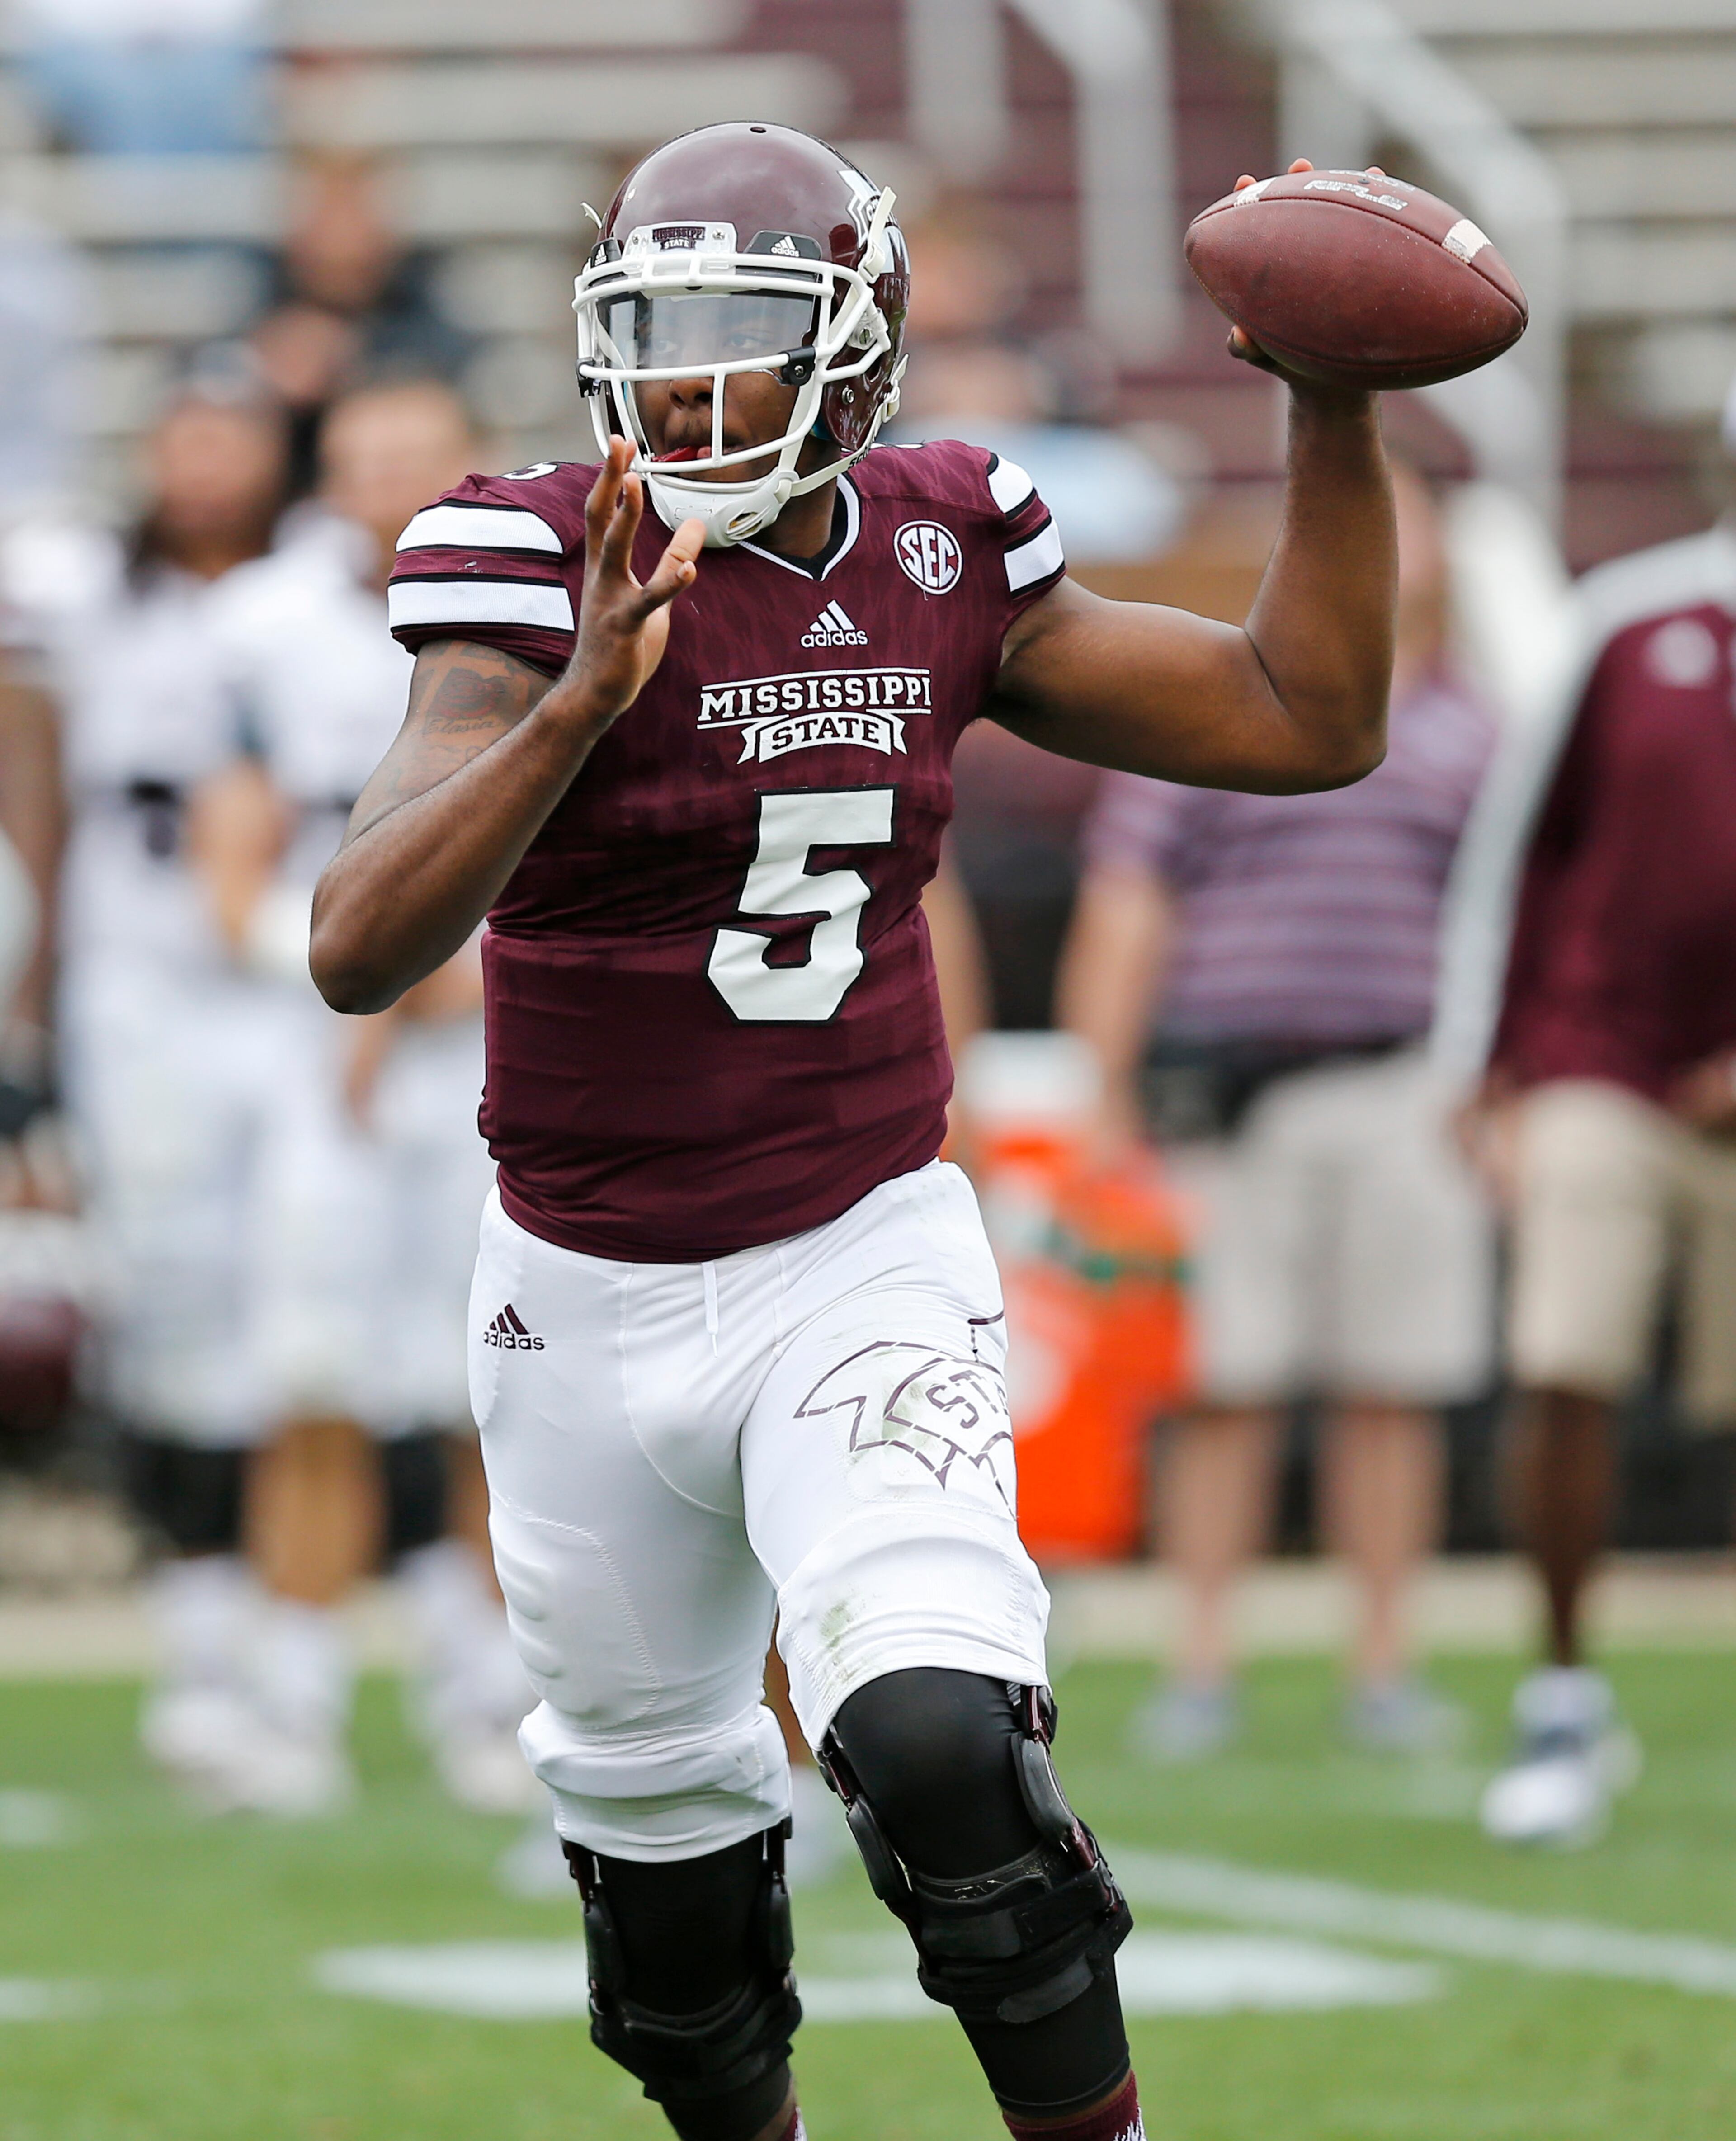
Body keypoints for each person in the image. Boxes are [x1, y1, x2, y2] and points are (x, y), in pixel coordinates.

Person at [311, 127, 1397, 2141]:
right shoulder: (527, 551)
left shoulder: (947, 535)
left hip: (854, 1241)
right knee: (677, 1929)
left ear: (865, 345)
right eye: (657, 335)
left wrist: (1330, 407)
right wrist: (575, 704)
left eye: (744, 334)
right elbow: (357, 943)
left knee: (939, 1743)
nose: (691, 387)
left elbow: (1302, 716)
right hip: (576, 1291)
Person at [1057, 464, 1495, 1760]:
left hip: (1403, 1084)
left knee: (1393, 1388)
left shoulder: (1478, 728)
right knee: (1223, 1392)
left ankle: (1385, 1663)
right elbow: (1131, 902)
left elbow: (1511, 921)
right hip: (1229, 1095)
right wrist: (1105, 1086)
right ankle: (1201, 1661)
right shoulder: (1221, 704)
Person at [196, 378, 530, 1816]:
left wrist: (440, 984)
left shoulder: (541, 588)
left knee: (499, 1391)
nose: (388, 480)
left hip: (485, 1045)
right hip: (319, 1044)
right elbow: (232, 861)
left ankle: (497, 1695)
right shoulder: (258, 625)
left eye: (415, 455)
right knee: (314, 1381)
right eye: (364, 457)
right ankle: (296, 1696)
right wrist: (345, 975)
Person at [1451, 382, 1736, 1848]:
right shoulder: (1635, 622)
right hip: (1603, 1058)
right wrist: (1474, 1055)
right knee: (1564, 1360)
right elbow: (1520, 845)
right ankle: (1563, 1694)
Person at [3, 383, 292, 1788]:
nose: (202, 464)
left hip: (301, 978)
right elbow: (33, 752)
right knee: (172, 1306)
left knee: (305, 1303)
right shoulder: (83, 588)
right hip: (143, 981)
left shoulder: (317, 592)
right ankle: (201, 1633)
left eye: (225, 433)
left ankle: (301, 1647)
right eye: (179, 435)